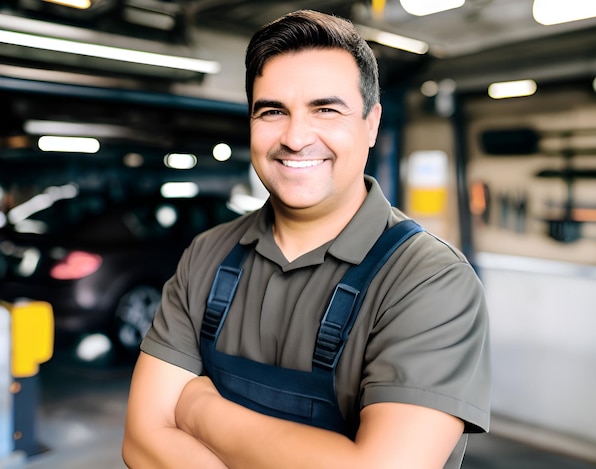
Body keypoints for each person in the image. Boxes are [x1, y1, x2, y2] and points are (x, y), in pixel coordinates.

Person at [122, 9, 490, 469]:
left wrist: (199, 409)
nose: (295, 137)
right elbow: (142, 442)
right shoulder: (206, 255)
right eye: (273, 111)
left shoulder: (429, 281)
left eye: (326, 109)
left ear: (371, 124)